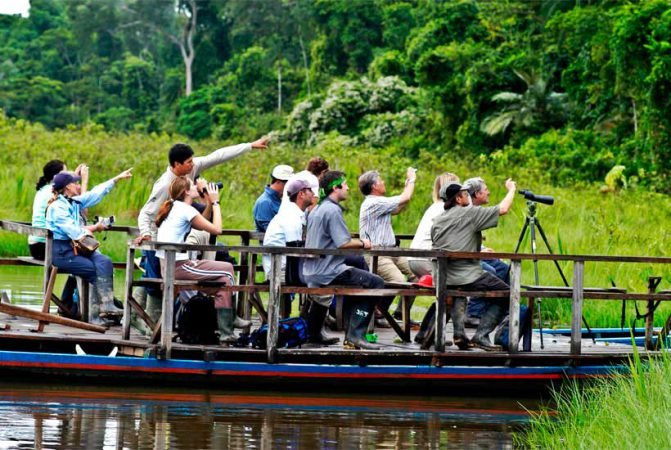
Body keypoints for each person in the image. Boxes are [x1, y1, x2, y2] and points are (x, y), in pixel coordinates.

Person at [136, 137, 270, 283]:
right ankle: (145, 291)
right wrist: (146, 234)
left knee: (170, 282)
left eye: (192, 161)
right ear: (176, 164)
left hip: (182, 233)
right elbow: (146, 213)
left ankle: (206, 256)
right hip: (159, 239)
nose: (192, 165)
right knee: (154, 281)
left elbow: (217, 156)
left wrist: (249, 145)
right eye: (189, 162)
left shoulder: (190, 169)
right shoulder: (164, 185)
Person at [429, 179, 517, 351]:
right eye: (465, 194)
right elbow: (503, 209)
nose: (467, 196)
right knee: (507, 293)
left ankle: (459, 334)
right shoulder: (470, 213)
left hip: (442, 276)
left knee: (459, 288)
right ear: (458, 199)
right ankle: (481, 335)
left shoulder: (438, 220)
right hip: (465, 275)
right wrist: (512, 189)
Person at [303, 171, 385, 350]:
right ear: (335, 187)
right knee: (376, 283)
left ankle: (315, 334)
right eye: (345, 184)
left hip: (311, 270)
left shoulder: (316, 208)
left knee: (356, 281)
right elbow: (343, 243)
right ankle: (355, 335)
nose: (348, 188)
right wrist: (364, 243)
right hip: (327, 271)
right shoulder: (332, 210)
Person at [154, 176, 240, 343]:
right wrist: (216, 203)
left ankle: (226, 332)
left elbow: (201, 222)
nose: (196, 186)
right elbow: (217, 229)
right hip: (178, 266)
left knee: (224, 281)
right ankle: (231, 319)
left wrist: (207, 203)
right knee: (228, 268)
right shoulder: (185, 209)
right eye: (193, 185)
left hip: (171, 265)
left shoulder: (176, 208)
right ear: (186, 191)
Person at [45, 169, 133, 325]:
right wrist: (89, 232)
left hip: (78, 249)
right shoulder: (57, 207)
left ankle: (107, 304)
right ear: (67, 187)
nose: (78, 185)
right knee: (92, 270)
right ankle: (93, 317)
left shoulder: (74, 202)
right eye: (76, 183)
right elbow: (71, 229)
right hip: (62, 253)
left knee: (105, 262)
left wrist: (116, 179)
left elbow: (95, 194)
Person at [263, 175, 339, 345]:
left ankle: (309, 328)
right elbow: (295, 249)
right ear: (301, 194)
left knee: (324, 276)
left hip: (290, 265)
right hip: (280, 269)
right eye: (310, 190)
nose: (314, 194)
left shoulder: (298, 213)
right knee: (323, 281)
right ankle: (312, 331)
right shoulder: (290, 216)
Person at [358, 168, 418, 324]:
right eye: (380, 181)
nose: (383, 183)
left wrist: (407, 186)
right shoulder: (373, 202)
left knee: (417, 274)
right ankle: (379, 312)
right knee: (398, 280)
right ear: (374, 187)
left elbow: (398, 208)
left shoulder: (379, 203)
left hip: (392, 251)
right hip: (377, 254)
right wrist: (411, 179)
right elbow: (405, 197)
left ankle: (399, 312)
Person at [463, 177, 511, 327]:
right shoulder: (467, 209)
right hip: (461, 259)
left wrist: (482, 249)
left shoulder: (473, 209)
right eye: (485, 190)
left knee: (503, 268)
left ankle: (499, 313)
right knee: (489, 271)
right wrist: (512, 190)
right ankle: (473, 313)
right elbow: (503, 209)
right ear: (477, 194)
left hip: (471, 253)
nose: (489, 192)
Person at [252, 164, 294, 232]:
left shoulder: (278, 200)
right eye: (288, 184)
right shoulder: (265, 202)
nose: (290, 188)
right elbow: (270, 231)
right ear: (278, 182)